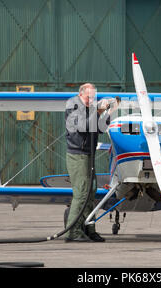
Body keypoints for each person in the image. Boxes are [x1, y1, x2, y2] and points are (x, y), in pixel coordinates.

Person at [64, 83, 118, 242]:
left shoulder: (89, 109)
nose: (91, 100)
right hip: (78, 156)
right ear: (80, 95)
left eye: (93, 97)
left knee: (91, 192)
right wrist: (99, 111)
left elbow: (99, 128)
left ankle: (88, 228)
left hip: (88, 155)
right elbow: (83, 126)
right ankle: (72, 231)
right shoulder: (73, 107)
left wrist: (109, 113)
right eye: (89, 97)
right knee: (81, 193)